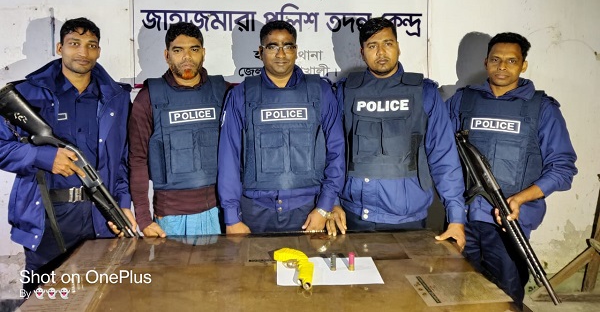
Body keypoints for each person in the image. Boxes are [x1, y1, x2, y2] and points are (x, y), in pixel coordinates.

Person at [0, 17, 135, 293]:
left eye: (91, 45)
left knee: (99, 299)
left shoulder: (116, 98)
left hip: (99, 216)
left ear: (99, 51)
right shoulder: (27, 94)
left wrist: (122, 204)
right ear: (60, 47)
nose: (83, 52)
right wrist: (43, 158)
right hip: (46, 218)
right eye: (75, 43)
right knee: (44, 301)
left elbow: (122, 159)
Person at [446, 32, 577, 307]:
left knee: (505, 299)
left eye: (511, 61)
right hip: (462, 219)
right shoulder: (463, 101)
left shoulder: (542, 108)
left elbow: (562, 169)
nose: (502, 66)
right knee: (455, 295)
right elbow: (439, 153)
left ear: (523, 65)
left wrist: (519, 199)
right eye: (495, 60)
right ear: (486, 62)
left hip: (508, 225)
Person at [335, 17, 466, 246]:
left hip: (407, 219)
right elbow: (333, 152)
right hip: (354, 215)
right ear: (362, 52)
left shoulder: (424, 93)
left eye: (388, 43)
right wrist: (332, 203)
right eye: (372, 46)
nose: (381, 52)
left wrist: (456, 218)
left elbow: (443, 156)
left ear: (398, 47)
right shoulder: (345, 91)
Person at [218, 20, 345, 234]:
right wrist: (231, 217)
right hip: (255, 212)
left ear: (296, 50)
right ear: (260, 52)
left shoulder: (321, 92)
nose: (281, 54)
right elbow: (229, 157)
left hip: (309, 211)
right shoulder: (241, 95)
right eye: (273, 46)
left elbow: (337, 151)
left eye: (287, 46)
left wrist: (324, 206)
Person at [129, 22, 228, 237]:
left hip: (221, 212)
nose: (187, 57)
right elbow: (137, 160)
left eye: (194, 49)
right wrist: (143, 218)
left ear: (203, 53)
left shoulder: (223, 92)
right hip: (171, 218)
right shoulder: (148, 98)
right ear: (167, 55)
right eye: (178, 50)